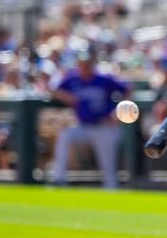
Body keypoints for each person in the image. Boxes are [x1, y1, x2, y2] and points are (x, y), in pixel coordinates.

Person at [50, 49, 129, 189]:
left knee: (108, 163)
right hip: (83, 126)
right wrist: (66, 97)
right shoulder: (73, 79)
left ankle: (111, 187)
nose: (84, 66)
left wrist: (118, 113)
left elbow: (128, 90)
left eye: (87, 63)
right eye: (82, 63)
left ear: (92, 64)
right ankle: (59, 179)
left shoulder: (103, 78)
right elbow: (53, 89)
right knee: (65, 136)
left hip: (103, 125)